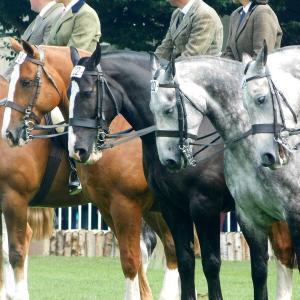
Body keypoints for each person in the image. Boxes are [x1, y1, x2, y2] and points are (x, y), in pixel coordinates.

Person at [155, 0, 223, 60]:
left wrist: (168, 69)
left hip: (204, 72)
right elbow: (165, 47)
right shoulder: (176, 13)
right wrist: (151, 63)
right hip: (183, 70)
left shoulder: (204, 14)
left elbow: (192, 56)